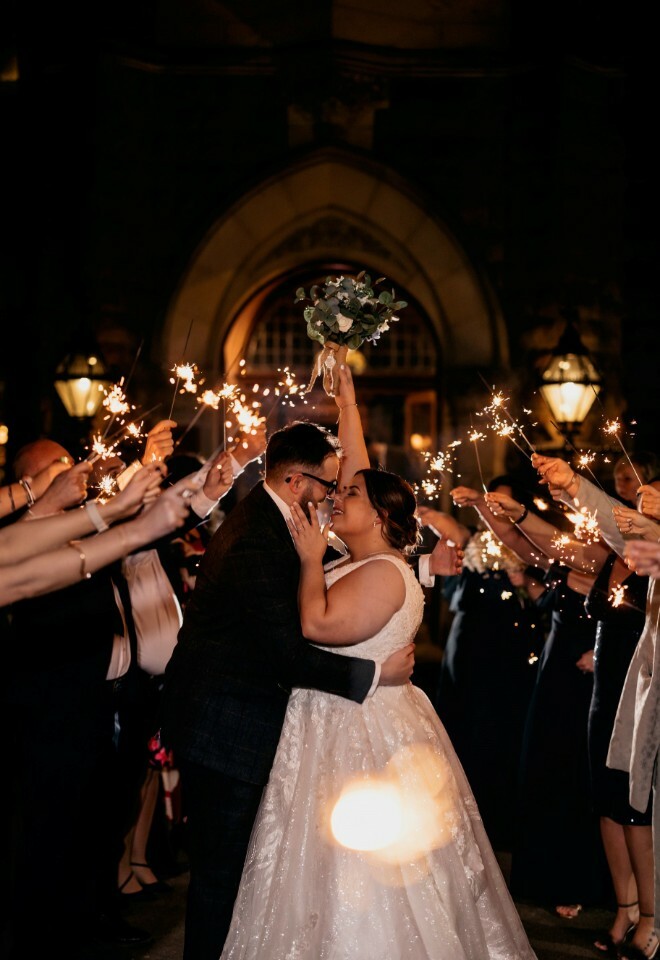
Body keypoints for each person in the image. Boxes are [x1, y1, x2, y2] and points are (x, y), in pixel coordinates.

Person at [217, 364, 537, 960]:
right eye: (338, 490)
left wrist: (309, 560)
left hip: (361, 730)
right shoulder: (355, 556)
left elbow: (317, 626)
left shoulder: (384, 572)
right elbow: (360, 473)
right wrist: (347, 402)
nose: (337, 496)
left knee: (363, 865)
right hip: (328, 717)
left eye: (350, 496)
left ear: (383, 518)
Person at [161, 366, 419, 960]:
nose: (334, 496)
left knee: (243, 874)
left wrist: (348, 403)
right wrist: (375, 675)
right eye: (328, 486)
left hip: (243, 720)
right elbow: (288, 650)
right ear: (297, 481)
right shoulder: (258, 537)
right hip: (225, 728)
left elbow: (361, 531)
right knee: (221, 876)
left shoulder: (286, 523)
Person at [532, 452, 660, 960]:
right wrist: (571, 486)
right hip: (614, 688)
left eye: (652, 491)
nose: (641, 496)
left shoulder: (652, 549)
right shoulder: (629, 545)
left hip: (645, 684)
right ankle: (626, 909)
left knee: (637, 804)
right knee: (607, 798)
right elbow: (603, 524)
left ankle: (650, 916)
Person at [421, 476, 544, 852]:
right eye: (489, 501)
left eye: (501, 503)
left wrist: (522, 581)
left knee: (501, 731)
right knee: (461, 725)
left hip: (510, 651)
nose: (494, 509)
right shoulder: (471, 539)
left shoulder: (531, 548)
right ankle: (456, 821)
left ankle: (499, 826)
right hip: (467, 646)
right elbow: (443, 528)